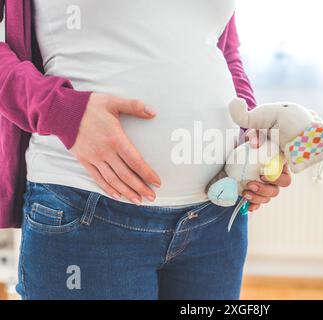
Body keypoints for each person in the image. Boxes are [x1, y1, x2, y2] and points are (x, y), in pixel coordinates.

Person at [0, 0, 291, 299]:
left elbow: (221, 49)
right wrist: (59, 110)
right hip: (86, 213)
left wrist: (251, 134)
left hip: (217, 221)